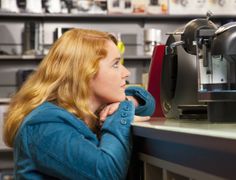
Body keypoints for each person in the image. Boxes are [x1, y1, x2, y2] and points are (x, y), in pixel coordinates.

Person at [3, 28, 155, 179]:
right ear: (84, 73)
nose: (126, 72)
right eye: (115, 64)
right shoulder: (44, 125)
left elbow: (149, 103)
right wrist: (120, 113)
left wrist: (129, 101)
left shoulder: (87, 112)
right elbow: (106, 173)